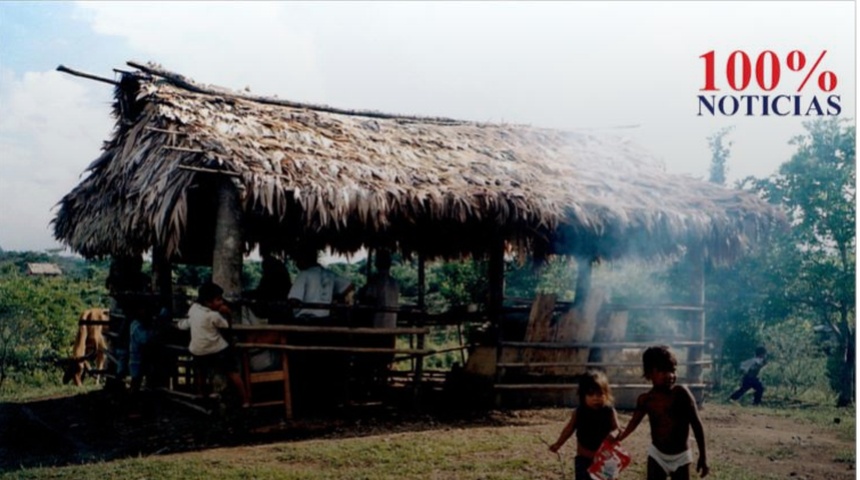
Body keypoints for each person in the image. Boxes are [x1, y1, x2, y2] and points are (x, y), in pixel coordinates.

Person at [614, 346, 709, 479]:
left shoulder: (681, 393)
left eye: (673, 370)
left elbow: (697, 424)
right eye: (663, 371)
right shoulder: (646, 400)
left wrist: (703, 457)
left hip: (681, 457)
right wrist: (620, 437)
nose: (670, 375)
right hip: (657, 455)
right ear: (649, 374)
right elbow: (633, 422)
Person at [177, 282, 250, 407]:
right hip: (217, 349)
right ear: (208, 302)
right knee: (233, 372)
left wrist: (178, 324)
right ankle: (245, 400)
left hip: (198, 350)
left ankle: (201, 396)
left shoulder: (194, 308)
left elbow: (187, 323)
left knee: (201, 373)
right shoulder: (213, 315)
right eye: (218, 300)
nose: (221, 302)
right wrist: (227, 313)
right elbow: (226, 325)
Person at [549, 370, 621, 480]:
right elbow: (569, 429)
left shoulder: (609, 411)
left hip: (605, 459)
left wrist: (613, 434)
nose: (595, 398)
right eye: (591, 394)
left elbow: (617, 428)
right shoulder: (579, 412)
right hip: (584, 459)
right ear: (583, 395)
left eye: (599, 394)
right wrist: (558, 443)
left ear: (606, 394)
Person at [288, 247, 354, 320]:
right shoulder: (330, 275)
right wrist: (334, 298)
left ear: (304, 259)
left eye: (297, 260)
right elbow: (349, 286)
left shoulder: (304, 275)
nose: (297, 263)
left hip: (305, 319)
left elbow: (294, 300)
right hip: (325, 319)